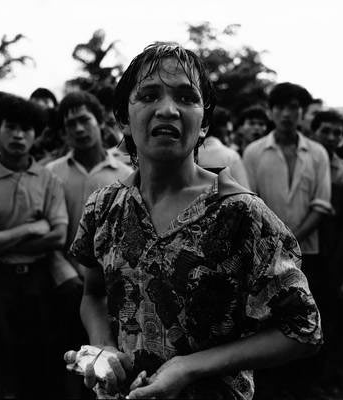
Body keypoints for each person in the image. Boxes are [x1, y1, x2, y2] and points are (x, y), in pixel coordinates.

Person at [65, 43, 321, 400]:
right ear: (123, 117)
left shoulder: (240, 213)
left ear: (204, 124)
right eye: (150, 95)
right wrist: (103, 347)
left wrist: (190, 366)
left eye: (186, 98)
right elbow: (92, 294)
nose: (167, 109)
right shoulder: (103, 207)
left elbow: (303, 329)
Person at [243, 82, 332, 397]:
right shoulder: (253, 152)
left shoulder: (317, 152)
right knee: (270, 322)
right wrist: (277, 241)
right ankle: (272, 387)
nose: (286, 113)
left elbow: (322, 204)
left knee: (309, 320)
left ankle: (306, 385)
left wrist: (292, 238)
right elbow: (249, 204)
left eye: (294, 107)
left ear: (302, 112)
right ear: (270, 111)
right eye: (280, 107)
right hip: (265, 254)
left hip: (310, 252)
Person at [46, 90, 132, 398]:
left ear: (100, 122)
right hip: (66, 286)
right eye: (71, 125)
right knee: (71, 369)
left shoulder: (126, 174)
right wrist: (70, 276)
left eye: (85, 120)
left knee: (111, 371)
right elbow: (50, 233)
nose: (79, 129)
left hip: (113, 292)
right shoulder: (51, 173)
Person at [0, 94, 68, 399]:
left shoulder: (48, 179)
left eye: (27, 129)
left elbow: (58, 236)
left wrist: (2, 240)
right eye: (11, 127)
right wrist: (32, 228)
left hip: (39, 280)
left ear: (37, 134)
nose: (19, 135)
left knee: (41, 363)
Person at [311, 110, 343, 391]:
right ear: (314, 132)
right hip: (307, 249)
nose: (332, 138)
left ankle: (325, 377)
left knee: (330, 318)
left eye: (338, 133)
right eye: (326, 131)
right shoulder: (305, 162)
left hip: (333, 254)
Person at [198, 105, 249, 188]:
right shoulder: (231, 156)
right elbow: (246, 193)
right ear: (223, 129)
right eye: (229, 133)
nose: (231, 137)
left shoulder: (189, 153)